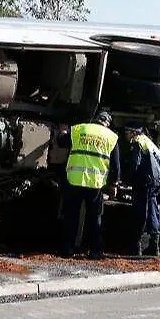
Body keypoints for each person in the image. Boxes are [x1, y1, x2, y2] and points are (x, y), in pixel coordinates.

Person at [59, 111, 120, 259]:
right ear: (107, 123)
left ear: (95, 120)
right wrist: (114, 183)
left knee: (71, 215)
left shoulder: (80, 129)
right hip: (95, 184)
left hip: (75, 179)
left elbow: (61, 142)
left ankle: (67, 249)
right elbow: (116, 165)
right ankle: (95, 251)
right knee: (94, 218)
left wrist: (62, 131)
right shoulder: (111, 137)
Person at [123, 124, 160, 256]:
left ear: (132, 132)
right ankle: (154, 245)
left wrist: (127, 180)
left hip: (144, 182)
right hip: (156, 181)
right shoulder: (150, 142)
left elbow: (135, 163)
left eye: (126, 132)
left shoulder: (137, 142)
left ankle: (137, 247)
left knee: (140, 212)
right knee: (152, 210)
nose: (125, 135)